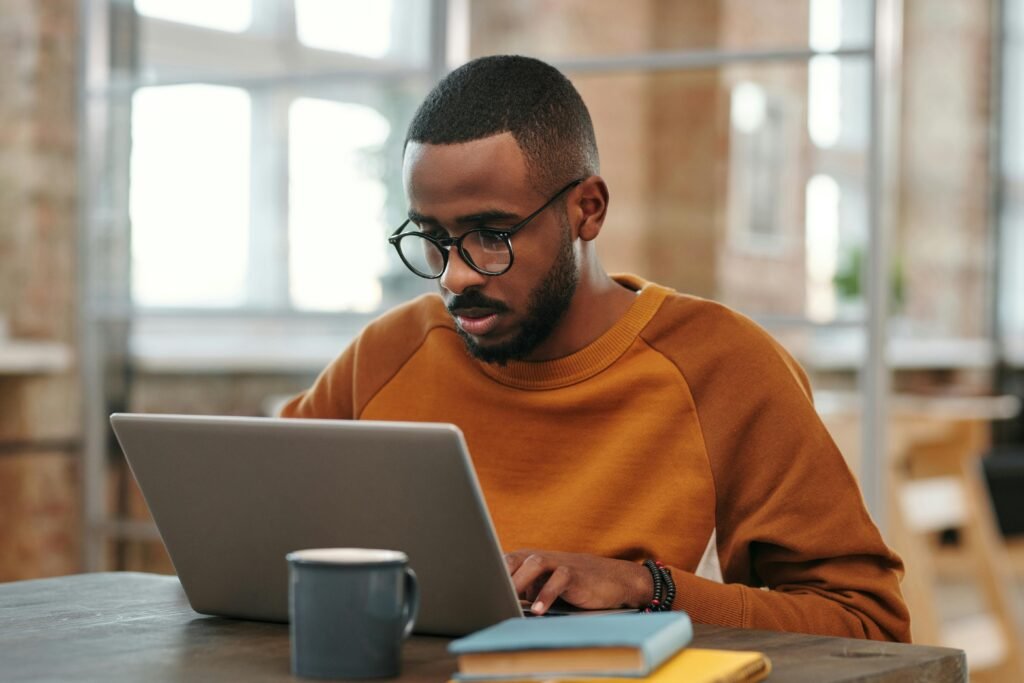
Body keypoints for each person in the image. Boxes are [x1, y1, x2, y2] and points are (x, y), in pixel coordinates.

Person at [281, 54, 911, 642]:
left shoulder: (723, 366)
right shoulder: (389, 352)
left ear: (588, 209)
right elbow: (257, 524)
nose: (455, 276)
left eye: (491, 234)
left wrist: (647, 587)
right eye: (433, 237)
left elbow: (869, 624)